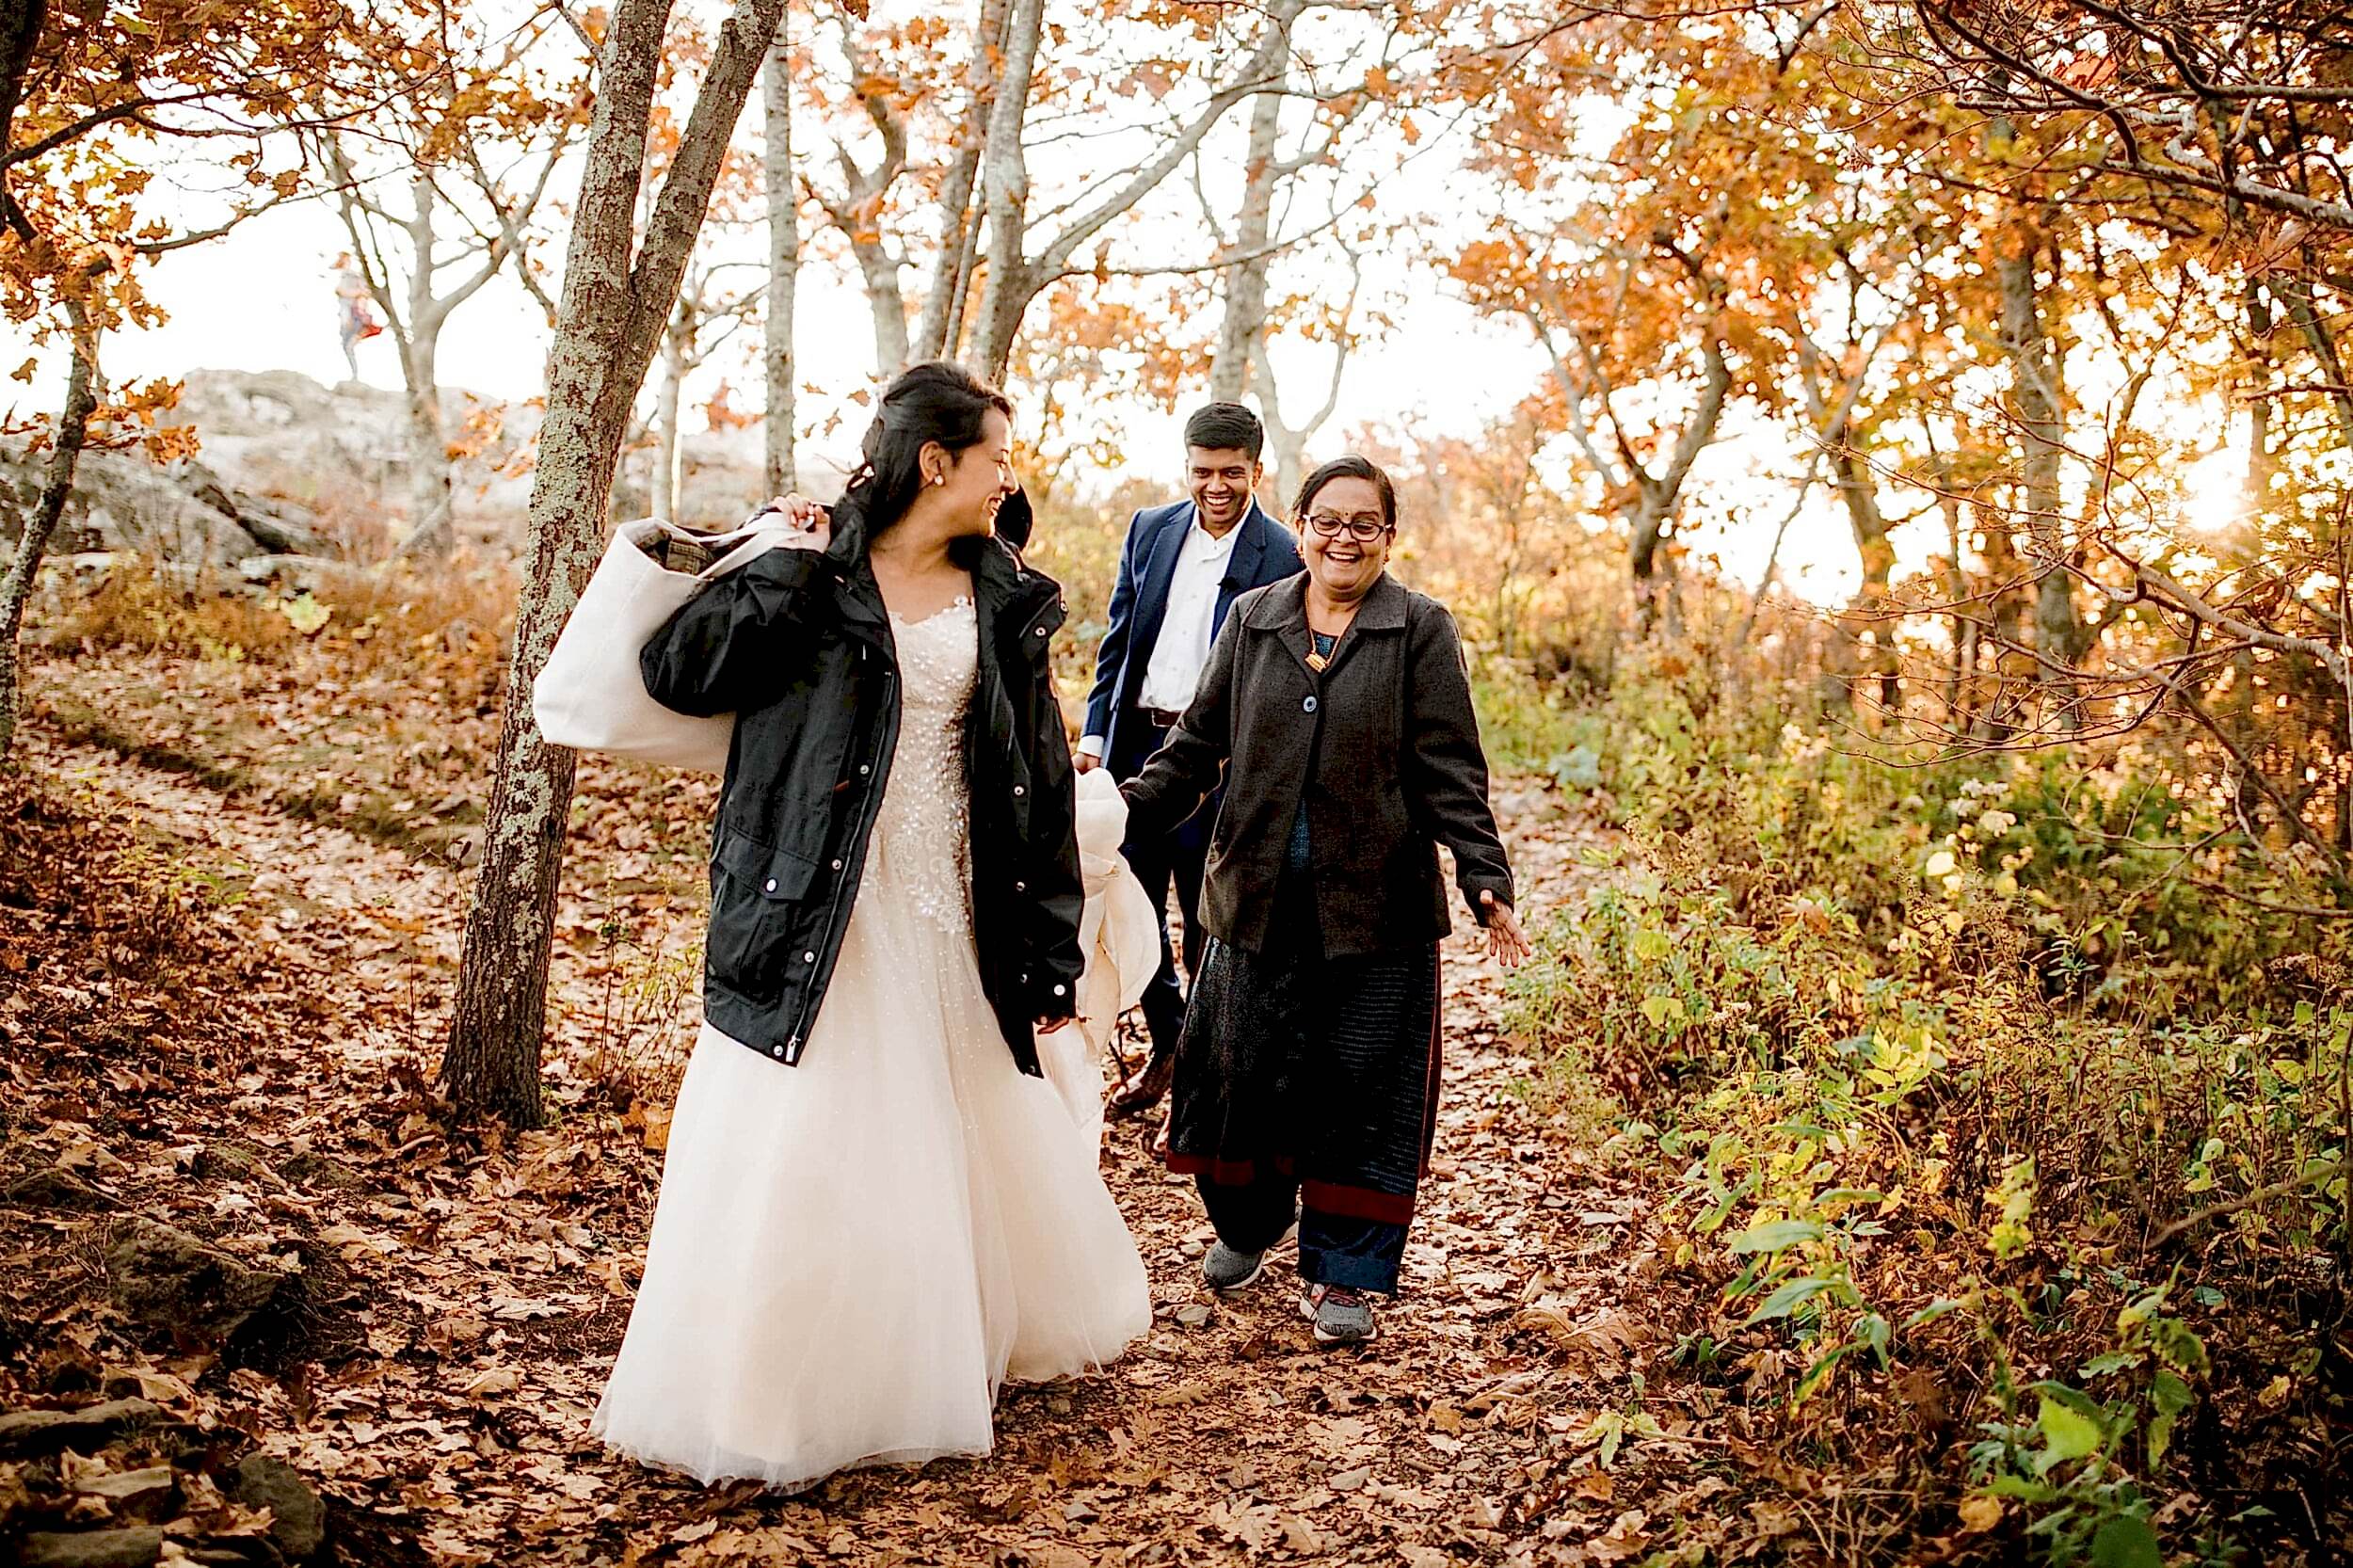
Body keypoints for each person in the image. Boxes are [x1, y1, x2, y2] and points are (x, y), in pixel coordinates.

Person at [593, 361, 1149, 1490]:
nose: (1008, 476)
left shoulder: (1003, 593)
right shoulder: (812, 564)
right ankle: (788, 1381)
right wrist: (779, 563)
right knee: (809, 1133)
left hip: (951, 904)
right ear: (936, 460)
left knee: (952, 1124)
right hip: (811, 907)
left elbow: (1038, 780)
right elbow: (678, 671)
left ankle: (937, 1346)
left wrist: (1050, 942)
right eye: (995, 455)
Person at [1119, 454, 1532, 1346]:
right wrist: (1120, 812)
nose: (1344, 537)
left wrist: (1483, 874)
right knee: (1238, 1073)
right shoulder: (1254, 616)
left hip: (1376, 914)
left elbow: (1449, 767)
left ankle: (1343, 1271)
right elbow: (1195, 745)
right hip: (1253, 900)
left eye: (1365, 524)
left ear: (1389, 536)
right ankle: (1247, 1225)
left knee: (1361, 1086)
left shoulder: (1419, 628)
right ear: (1299, 524)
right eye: (1328, 520)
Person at [1076, 404, 1303, 1120]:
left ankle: (1208, 1078)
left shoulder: (1285, 554)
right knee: (1130, 906)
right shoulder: (1150, 530)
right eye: (1202, 471)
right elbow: (1118, 642)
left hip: (1222, 762)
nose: (1216, 486)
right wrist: (1093, 741)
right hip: (1138, 748)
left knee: (1210, 920)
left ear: (1255, 472)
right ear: (1187, 467)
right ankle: (1169, 1044)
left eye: (1231, 473)